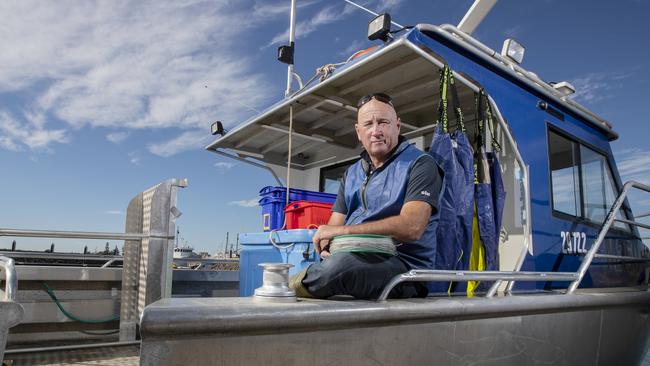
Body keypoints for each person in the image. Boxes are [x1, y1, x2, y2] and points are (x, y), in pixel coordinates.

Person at [289, 92, 443, 300]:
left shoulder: (421, 164)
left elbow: (412, 227)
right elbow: (334, 224)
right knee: (335, 264)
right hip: (351, 258)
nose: (376, 131)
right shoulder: (352, 173)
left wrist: (340, 232)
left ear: (397, 126)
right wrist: (326, 243)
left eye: (383, 122)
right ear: (358, 131)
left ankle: (283, 289)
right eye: (369, 124)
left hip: (405, 269)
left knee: (339, 268)